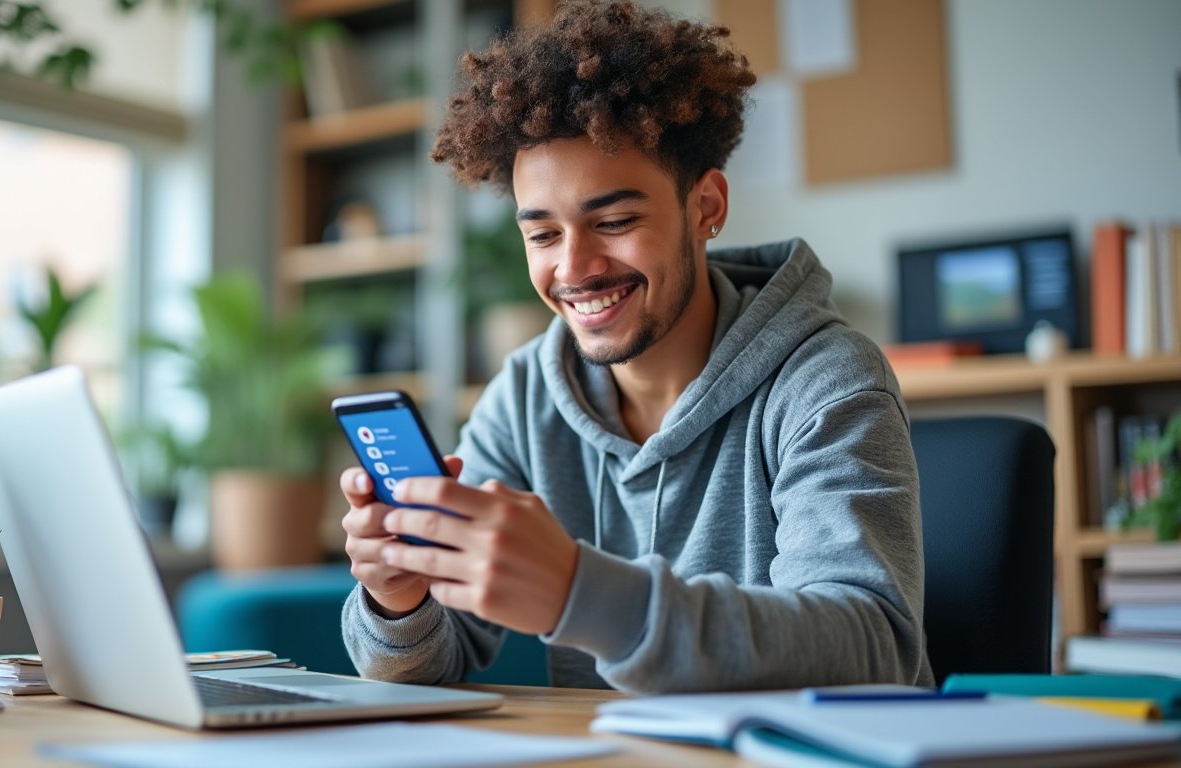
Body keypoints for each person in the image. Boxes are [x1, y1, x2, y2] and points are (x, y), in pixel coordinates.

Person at [339, 0, 933, 694]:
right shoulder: (527, 397)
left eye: (615, 220)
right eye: (542, 235)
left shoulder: (825, 381)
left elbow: (873, 646)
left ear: (706, 207)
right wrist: (399, 599)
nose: (574, 267)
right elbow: (424, 665)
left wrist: (579, 592)